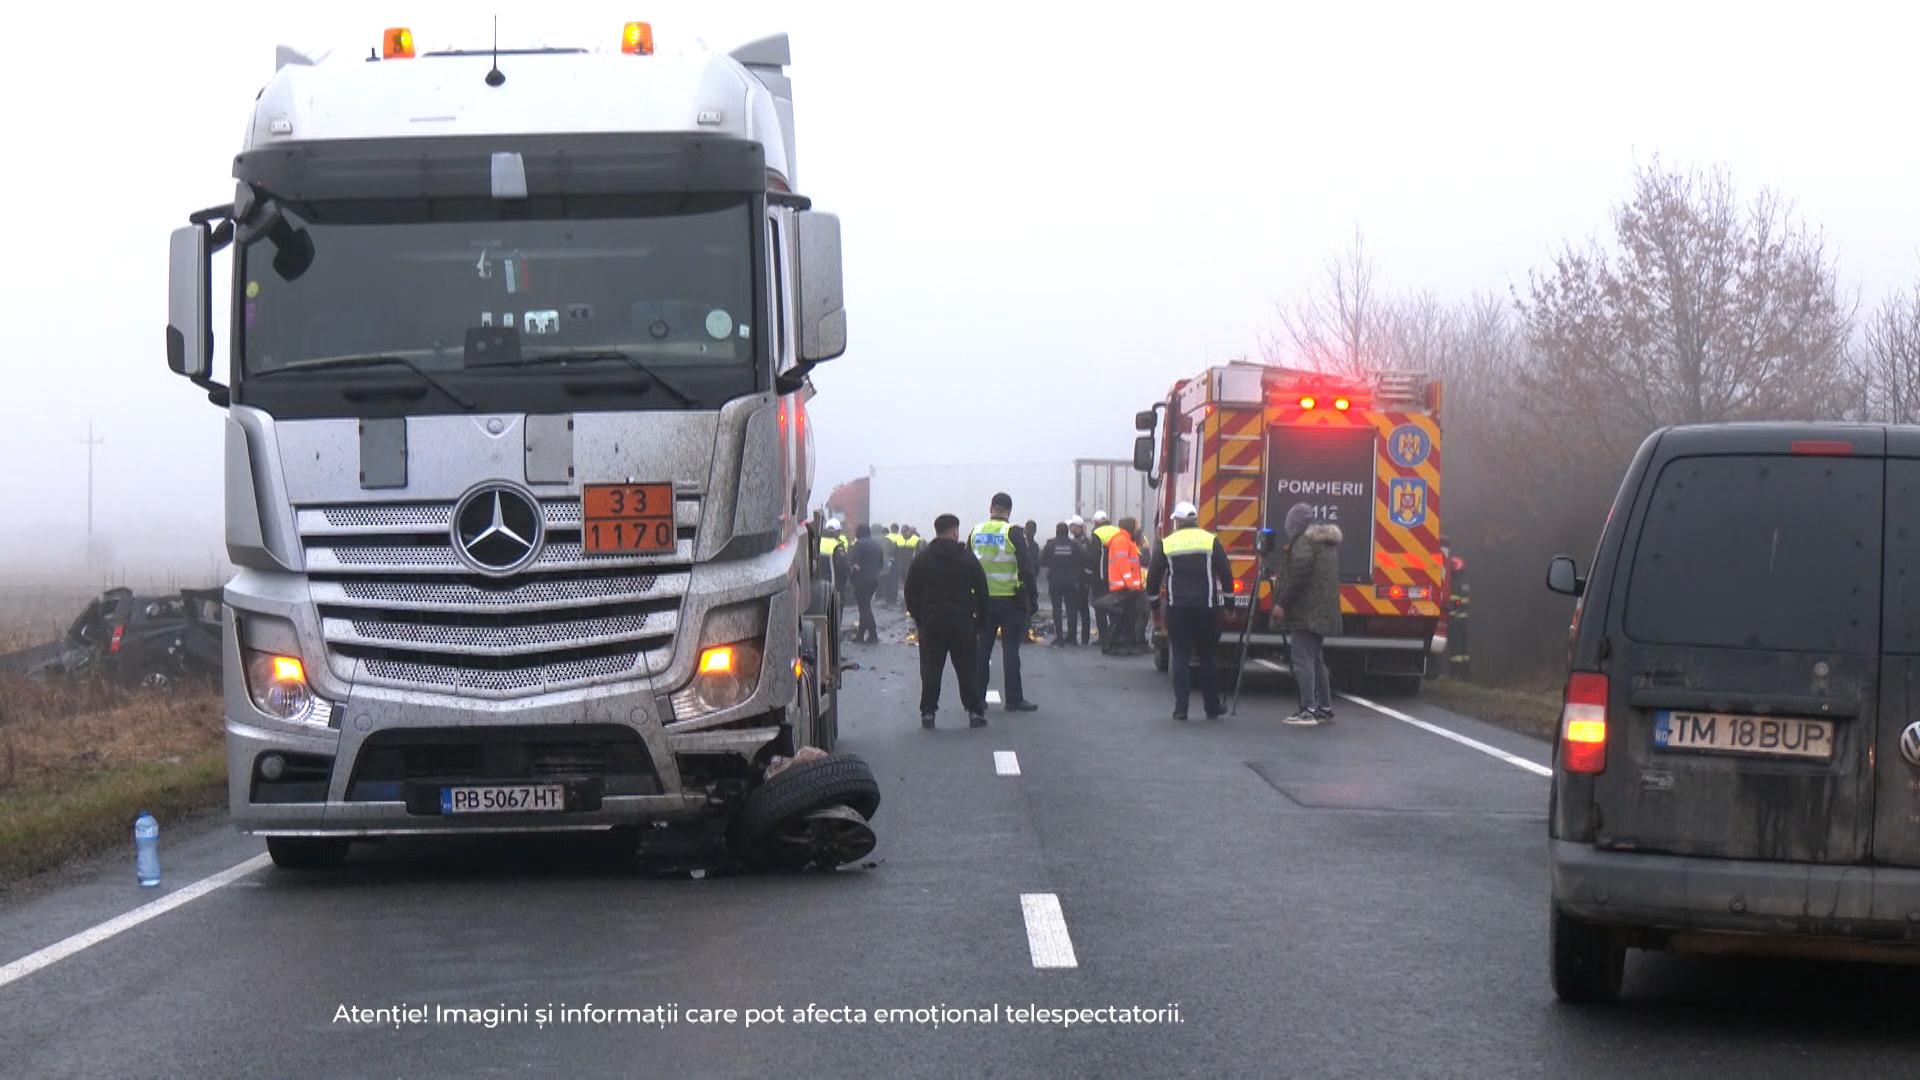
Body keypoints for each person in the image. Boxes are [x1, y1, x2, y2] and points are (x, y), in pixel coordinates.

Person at [1146, 501, 1234, 720]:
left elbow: (1153, 578)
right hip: (1207, 609)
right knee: (1208, 658)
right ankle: (1212, 708)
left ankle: (1181, 709)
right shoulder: (1210, 540)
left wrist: (1155, 607)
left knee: (1181, 659)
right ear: (1195, 520)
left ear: (1176, 521)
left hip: (1178, 609)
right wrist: (1229, 605)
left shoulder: (1167, 543)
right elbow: (1226, 574)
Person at [905, 513, 989, 728]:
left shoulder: (922, 559)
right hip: (962, 624)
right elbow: (982, 590)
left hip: (932, 624)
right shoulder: (967, 558)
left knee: (931, 670)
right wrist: (979, 621)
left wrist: (920, 618)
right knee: (967, 669)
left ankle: (928, 713)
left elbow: (910, 592)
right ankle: (974, 712)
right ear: (954, 531)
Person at [1274, 502, 1344, 725]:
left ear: (1295, 523)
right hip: (1322, 611)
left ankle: (1307, 709)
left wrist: (1282, 603)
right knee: (1315, 659)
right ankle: (1324, 707)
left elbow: (1299, 575)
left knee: (1302, 658)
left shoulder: (1303, 544)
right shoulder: (1325, 544)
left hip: (1307, 612)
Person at [970, 492, 1039, 712]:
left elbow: (966, 565)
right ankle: (1013, 699)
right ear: (1009, 511)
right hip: (1010, 601)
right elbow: (1027, 569)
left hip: (982, 602)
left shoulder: (976, 531)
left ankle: (978, 699)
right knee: (1011, 651)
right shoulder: (1013, 532)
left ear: (991, 508)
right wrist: (1033, 598)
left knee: (982, 651)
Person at [1100, 517, 1147, 656]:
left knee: (1123, 619)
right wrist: (1131, 584)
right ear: (1130, 527)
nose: (1138, 529)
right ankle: (1112, 646)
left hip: (1126, 587)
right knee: (1119, 620)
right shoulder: (1121, 541)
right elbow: (1123, 565)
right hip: (1123, 587)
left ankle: (1122, 645)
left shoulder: (1125, 540)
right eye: (1136, 526)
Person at [1042, 522, 1081, 647]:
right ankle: (1073, 638)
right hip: (1071, 581)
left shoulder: (1050, 545)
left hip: (1055, 581)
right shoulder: (1074, 545)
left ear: (1057, 531)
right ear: (1067, 532)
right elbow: (1080, 561)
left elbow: (1042, 561)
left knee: (1057, 610)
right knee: (1072, 610)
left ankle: (1059, 638)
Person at [848, 524, 888, 644]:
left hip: (861, 580)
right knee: (865, 606)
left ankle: (873, 634)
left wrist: (852, 575)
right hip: (873, 580)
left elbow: (854, 562)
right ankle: (860, 635)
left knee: (864, 607)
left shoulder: (858, 544)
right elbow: (881, 563)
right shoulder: (876, 545)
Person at [1089, 510, 1120, 645]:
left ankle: (1103, 638)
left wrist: (1088, 573)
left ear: (1095, 523)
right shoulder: (1118, 531)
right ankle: (1115, 637)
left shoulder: (1097, 534)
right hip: (1117, 577)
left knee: (1100, 609)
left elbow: (1094, 558)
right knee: (1114, 609)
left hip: (1100, 579)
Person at [1067, 515, 1094, 645]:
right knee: (1080, 609)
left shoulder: (1083, 543)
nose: (1070, 528)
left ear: (1077, 527)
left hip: (1081, 581)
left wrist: (1085, 580)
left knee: (1081, 609)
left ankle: (1082, 638)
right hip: (1079, 580)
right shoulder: (1079, 541)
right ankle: (1081, 637)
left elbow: (1087, 562)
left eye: (1071, 526)